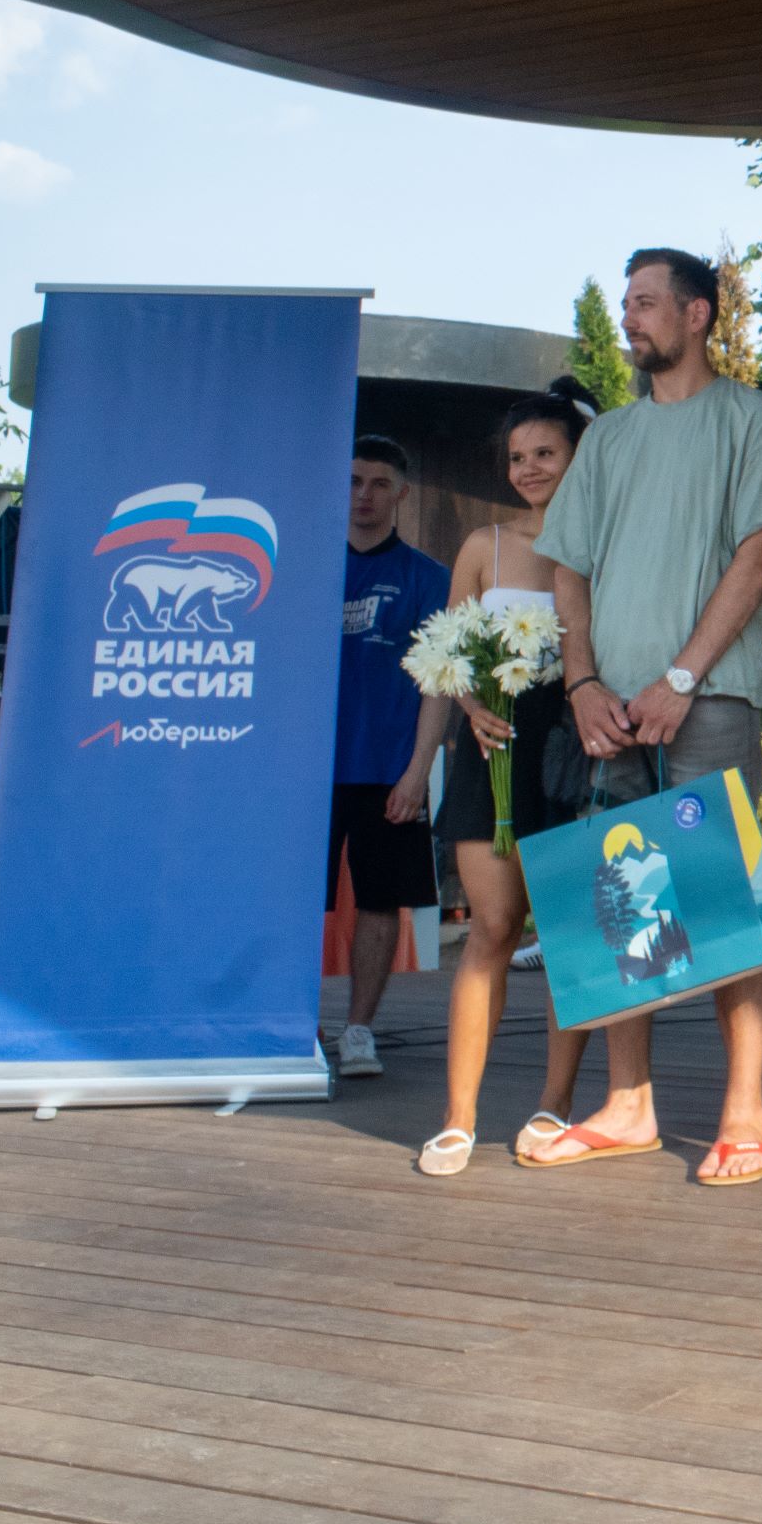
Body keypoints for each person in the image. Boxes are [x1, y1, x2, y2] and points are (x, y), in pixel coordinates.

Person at [529, 247, 762, 1185]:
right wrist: (581, 683)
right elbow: (569, 569)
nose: (629, 317)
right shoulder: (607, 438)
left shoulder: (749, 417)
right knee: (623, 901)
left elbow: (758, 555)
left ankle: (744, 1113)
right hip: (609, 709)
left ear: (697, 314)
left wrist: (681, 677)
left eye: (646, 302)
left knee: (727, 897)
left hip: (711, 700)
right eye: (626, 303)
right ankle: (629, 1106)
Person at [417, 380, 601, 1177]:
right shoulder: (481, 545)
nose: (529, 469)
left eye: (546, 453)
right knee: (491, 930)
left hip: (572, 751)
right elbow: (445, 657)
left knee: (564, 933)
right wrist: (467, 708)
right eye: (518, 457)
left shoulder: (604, 543)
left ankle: (555, 1103)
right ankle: (458, 1119)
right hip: (490, 753)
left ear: (578, 456)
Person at [327, 436, 452, 1079]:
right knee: (296, 902)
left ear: (401, 492)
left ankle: (358, 1031)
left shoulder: (428, 578)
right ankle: (291, 1025)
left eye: (379, 483)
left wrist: (418, 771)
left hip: (387, 768)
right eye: (353, 481)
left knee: (380, 903)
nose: (364, 495)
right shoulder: (308, 567)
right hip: (308, 772)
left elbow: (439, 684)